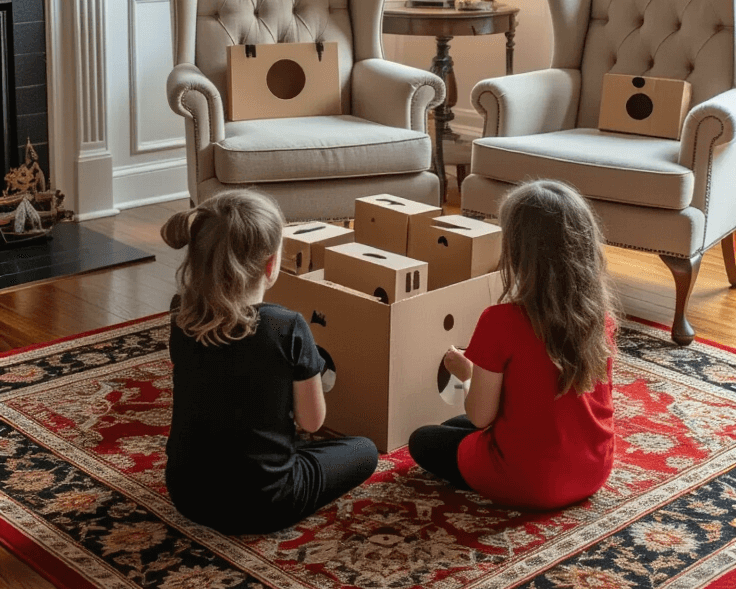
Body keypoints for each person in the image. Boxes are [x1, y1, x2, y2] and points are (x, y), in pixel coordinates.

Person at [161, 189, 378, 535]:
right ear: (272, 264)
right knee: (365, 450)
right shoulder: (287, 327)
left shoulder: (180, 315)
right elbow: (311, 421)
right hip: (266, 503)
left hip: (187, 495)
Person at [408, 179, 616, 510]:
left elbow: (480, 417)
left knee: (422, 441)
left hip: (530, 481)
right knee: (451, 429)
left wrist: (467, 373)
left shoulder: (500, 319)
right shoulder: (598, 316)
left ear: (518, 252)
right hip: (593, 469)